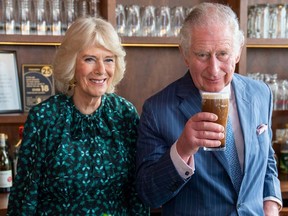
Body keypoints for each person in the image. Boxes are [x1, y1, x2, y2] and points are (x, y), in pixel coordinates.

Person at [136, 2, 282, 215]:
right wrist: (182, 149)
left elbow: (266, 160)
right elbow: (148, 194)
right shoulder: (156, 110)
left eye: (223, 53)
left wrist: (271, 204)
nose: (214, 69)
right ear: (185, 55)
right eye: (202, 55)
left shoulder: (260, 93)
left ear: (238, 52)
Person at [7, 17, 148, 216]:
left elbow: (136, 193)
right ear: (71, 63)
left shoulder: (124, 114)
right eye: (90, 59)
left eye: (108, 59)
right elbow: (25, 197)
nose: (101, 69)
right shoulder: (45, 117)